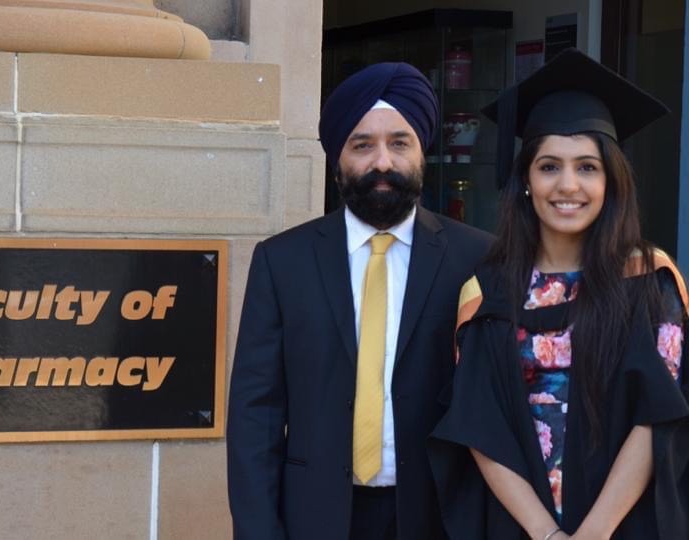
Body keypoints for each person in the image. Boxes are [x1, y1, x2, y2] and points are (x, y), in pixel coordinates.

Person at [428, 48, 689, 539]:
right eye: (549, 166)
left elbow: (656, 416)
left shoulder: (649, 282)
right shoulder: (487, 293)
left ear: (611, 181)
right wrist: (545, 533)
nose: (568, 185)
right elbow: (480, 426)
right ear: (526, 180)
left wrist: (594, 532)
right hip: (518, 527)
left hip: (624, 525)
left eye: (587, 167)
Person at [226, 62, 493, 539]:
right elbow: (255, 419)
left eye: (399, 142)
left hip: (440, 519)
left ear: (422, 150)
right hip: (315, 518)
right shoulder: (281, 262)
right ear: (338, 157)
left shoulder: (477, 258)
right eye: (362, 145)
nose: (383, 162)